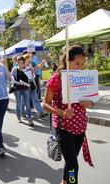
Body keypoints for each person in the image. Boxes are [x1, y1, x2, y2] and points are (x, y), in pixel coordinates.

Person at [43, 46, 94, 184]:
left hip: (80, 126)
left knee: (71, 161)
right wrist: (62, 113)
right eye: (77, 63)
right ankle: (72, 182)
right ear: (67, 60)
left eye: (82, 64)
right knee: (73, 165)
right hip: (63, 127)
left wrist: (89, 103)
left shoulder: (85, 77)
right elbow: (45, 104)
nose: (80, 67)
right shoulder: (56, 79)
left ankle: (65, 182)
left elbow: (92, 99)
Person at [21, 54, 48, 119]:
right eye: (28, 59)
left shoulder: (30, 65)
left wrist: (33, 71)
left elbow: (32, 76)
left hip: (31, 84)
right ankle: (22, 112)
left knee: (35, 99)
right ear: (25, 59)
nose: (29, 60)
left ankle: (40, 112)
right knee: (23, 100)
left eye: (30, 59)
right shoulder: (21, 67)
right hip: (24, 85)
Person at [11, 56, 34, 125]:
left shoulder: (27, 69)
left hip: (25, 88)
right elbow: (12, 80)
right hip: (18, 89)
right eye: (17, 59)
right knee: (18, 103)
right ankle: (18, 116)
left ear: (23, 61)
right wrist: (17, 83)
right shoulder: (14, 69)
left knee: (27, 103)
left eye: (19, 59)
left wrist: (32, 73)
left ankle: (30, 119)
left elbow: (31, 79)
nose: (18, 60)